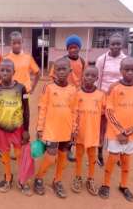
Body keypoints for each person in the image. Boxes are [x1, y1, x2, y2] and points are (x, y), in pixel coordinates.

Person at [98, 57, 133, 202]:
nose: (130, 73)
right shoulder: (114, 88)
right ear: (120, 71)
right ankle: (106, 184)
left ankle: (124, 185)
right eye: (126, 70)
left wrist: (131, 130)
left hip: (132, 134)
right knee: (113, 158)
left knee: (126, 160)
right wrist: (120, 132)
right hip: (115, 134)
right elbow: (109, 111)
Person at [34, 57, 76, 199]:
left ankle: (57, 180)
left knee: (63, 154)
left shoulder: (73, 90)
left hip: (66, 129)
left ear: (70, 71)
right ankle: (39, 178)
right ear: (54, 71)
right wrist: (39, 128)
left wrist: (74, 130)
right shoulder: (49, 88)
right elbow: (42, 108)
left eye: (64, 69)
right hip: (51, 128)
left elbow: (74, 111)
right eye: (58, 69)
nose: (61, 72)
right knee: (51, 156)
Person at [0, 59, 31, 196]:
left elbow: (26, 110)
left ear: (14, 72)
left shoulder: (21, 88)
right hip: (1, 129)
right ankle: (8, 177)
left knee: (20, 155)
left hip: (18, 129)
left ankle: (22, 180)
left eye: (8, 70)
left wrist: (26, 130)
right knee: (5, 155)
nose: (5, 72)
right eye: (2, 70)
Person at [49, 34, 86, 162]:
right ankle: (55, 145)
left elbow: (84, 77)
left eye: (75, 47)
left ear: (79, 48)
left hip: (76, 96)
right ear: (67, 49)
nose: (73, 50)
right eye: (70, 47)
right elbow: (53, 77)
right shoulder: (62, 61)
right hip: (62, 95)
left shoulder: (82, 61)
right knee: (60, 119)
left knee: (73, 122)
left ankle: (68, 148)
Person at [71, 66, 105, 196]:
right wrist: (73, 129)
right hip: (80, 132)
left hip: (93, 133)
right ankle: (78, 177)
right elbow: (73, 113)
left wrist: (102, 134)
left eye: (93, 76)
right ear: (83, 76)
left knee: (92, 157)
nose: (89, 78)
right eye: (87, 75)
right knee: (79, 156)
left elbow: (104, 116)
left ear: (97, 78)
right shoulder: (77, 94)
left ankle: (90, 179)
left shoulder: (101, 95)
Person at [95, 33, 127, 166]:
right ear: (109, 45)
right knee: (101, 127)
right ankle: (100, 154)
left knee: (118, 126)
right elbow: (97, 78)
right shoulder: (102, 59)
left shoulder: (125, 60)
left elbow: (126, 79)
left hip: (119, 99)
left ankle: (118, 154)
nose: (115, 46)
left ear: (122, 45)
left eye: (118, 44)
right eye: (113, 44)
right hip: (103, 97)